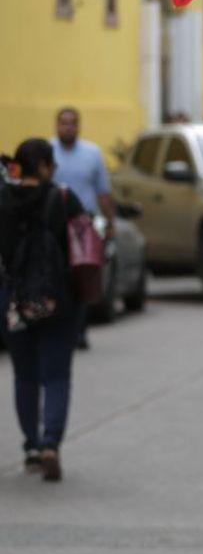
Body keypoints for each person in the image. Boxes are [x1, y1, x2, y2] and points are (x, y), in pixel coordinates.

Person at [0, 138, 87, 482]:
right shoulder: (63, 198)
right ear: (48, 166)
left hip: (12, 299)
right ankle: (52, 443)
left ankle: (32, 447)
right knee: (56, 374)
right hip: (56, 299)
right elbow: (84, 245)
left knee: (25, 375)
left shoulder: (3, 199)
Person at [51, 107, 116, 349]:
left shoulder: (91, 153)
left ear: (78, 126)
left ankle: (79, 330)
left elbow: (103, 192)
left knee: (83, 277)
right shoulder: (48, 152)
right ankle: (59, 329)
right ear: (56, 125)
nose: (68, 127)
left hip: (83, 226)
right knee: (58, 278)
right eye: (63, 123)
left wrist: (110, 223)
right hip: (54, 226)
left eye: (72, 123)